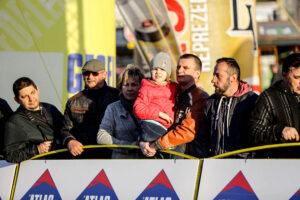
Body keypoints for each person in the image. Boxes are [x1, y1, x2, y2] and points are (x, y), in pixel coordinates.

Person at [140, 53, 208, 157]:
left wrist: (156, 144)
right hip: (168, 156)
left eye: (185, 68)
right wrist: (144, 140)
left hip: (189, 160)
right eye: (178, 67)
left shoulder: (199, 97)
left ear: (197, 73)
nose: (180, 71)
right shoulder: (173, 92)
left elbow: (187, 131)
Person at [195, 57, 258, 158]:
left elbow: (258, 136)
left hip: (243, 168)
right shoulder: (211, 101)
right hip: (215, 166)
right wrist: (207, 158)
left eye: (218, 76)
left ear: (233, 78)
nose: (213, 80)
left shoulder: (251, 100)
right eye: (213, 75)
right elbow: (203, 136)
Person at [61, 59, 119, 157]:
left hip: (113, 155)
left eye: (94, 73)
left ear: (105, 74)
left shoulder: (117, 97)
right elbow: (64, 130)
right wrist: (70, 141)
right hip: (83, 158)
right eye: (86, 73)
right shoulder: (73, 101)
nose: (90, 77)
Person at [249, 52, 300, 158]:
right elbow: (254, 132)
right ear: (284, 75)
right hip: (281, 166)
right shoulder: (268, 97)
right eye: (297, 78)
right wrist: (279, 131)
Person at [3, 77, 63, 163]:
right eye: (24, 97)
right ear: (16, 100)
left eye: (32, 92)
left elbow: (66, 131)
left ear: (37, 90)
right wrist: (37, 149)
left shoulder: (50, 108)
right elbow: (10, 155)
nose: (31, 99)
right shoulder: (14, 122)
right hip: (39, 172)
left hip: (64, 164)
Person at [97, 65, 144, 158]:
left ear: (141, 86)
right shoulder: (113, 108)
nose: (129, 88)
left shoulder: (149, 107)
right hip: (120, 165)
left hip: (148, 164)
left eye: (134, 84)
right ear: (120, 87)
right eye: (126, 84)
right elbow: (101, 137)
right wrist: (127, 146)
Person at [133, 52, 178, 144]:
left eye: (162, 69)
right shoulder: (147, 88)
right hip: (152, 125)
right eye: (155, 69)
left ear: (168, 73)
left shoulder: (173, 87)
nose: (158, 72)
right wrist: (159, 114)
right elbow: (138, 108)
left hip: (167, 128)